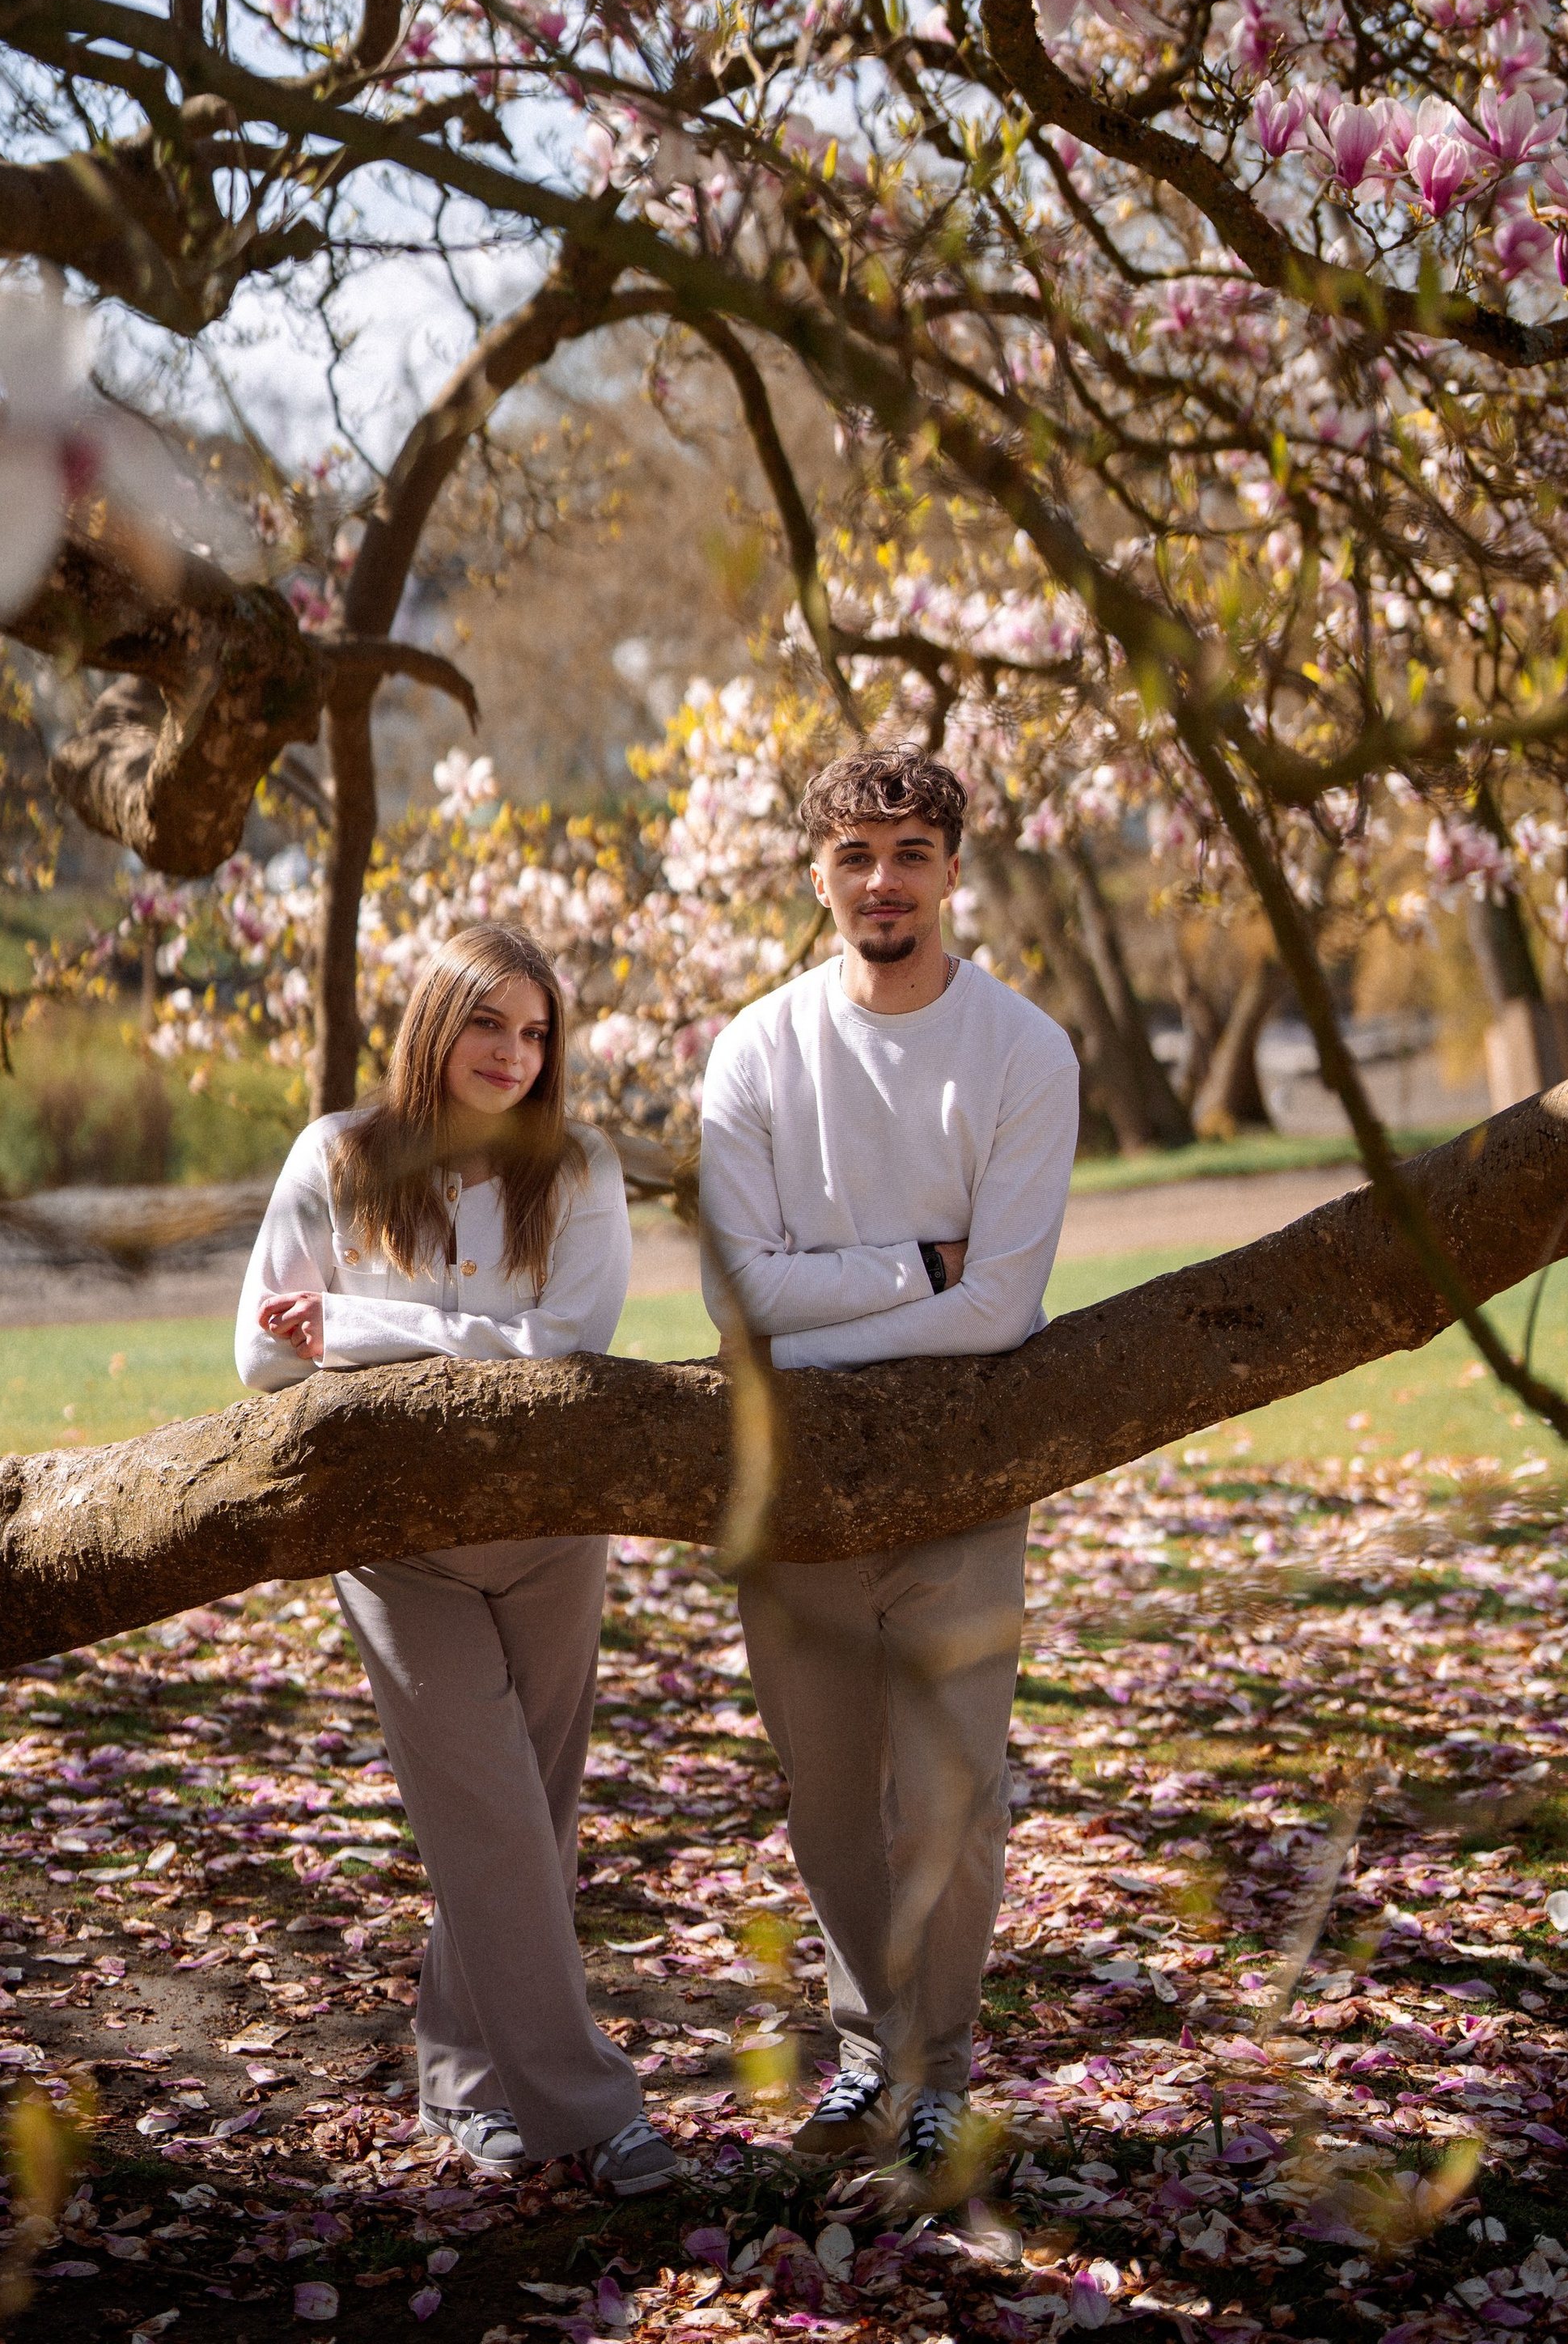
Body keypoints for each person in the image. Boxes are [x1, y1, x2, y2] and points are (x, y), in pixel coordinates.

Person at [234, 919, 676, 2201]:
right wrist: (436, 1338)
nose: (514, 1054)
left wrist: (363, 1324)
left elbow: (565, 1353)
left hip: (552, 1535)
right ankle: (592, 2108)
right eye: (490, 1023)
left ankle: (460, 2077)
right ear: (436, 1024)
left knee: (525, 1826)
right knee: (488, 1817)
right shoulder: (337, 1155)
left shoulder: (580, 1167)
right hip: (399, 1547)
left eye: (536, 1033)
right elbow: (264, 1355)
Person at [697, 746, 1079, 2194]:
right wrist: (913, 1266)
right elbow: (743, 1298)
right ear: (817, 875)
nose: (883, 882)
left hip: (968, 1482)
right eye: (855, 855)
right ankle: (870, 2044)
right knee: (827, 1800)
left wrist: (817, 1316)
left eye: (910, 852)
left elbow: (1004, 1313)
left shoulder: (1023, 1053)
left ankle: (943, 2067)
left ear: (953, 870)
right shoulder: (756, 1051)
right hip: (795, 1496)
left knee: (954, 1799)